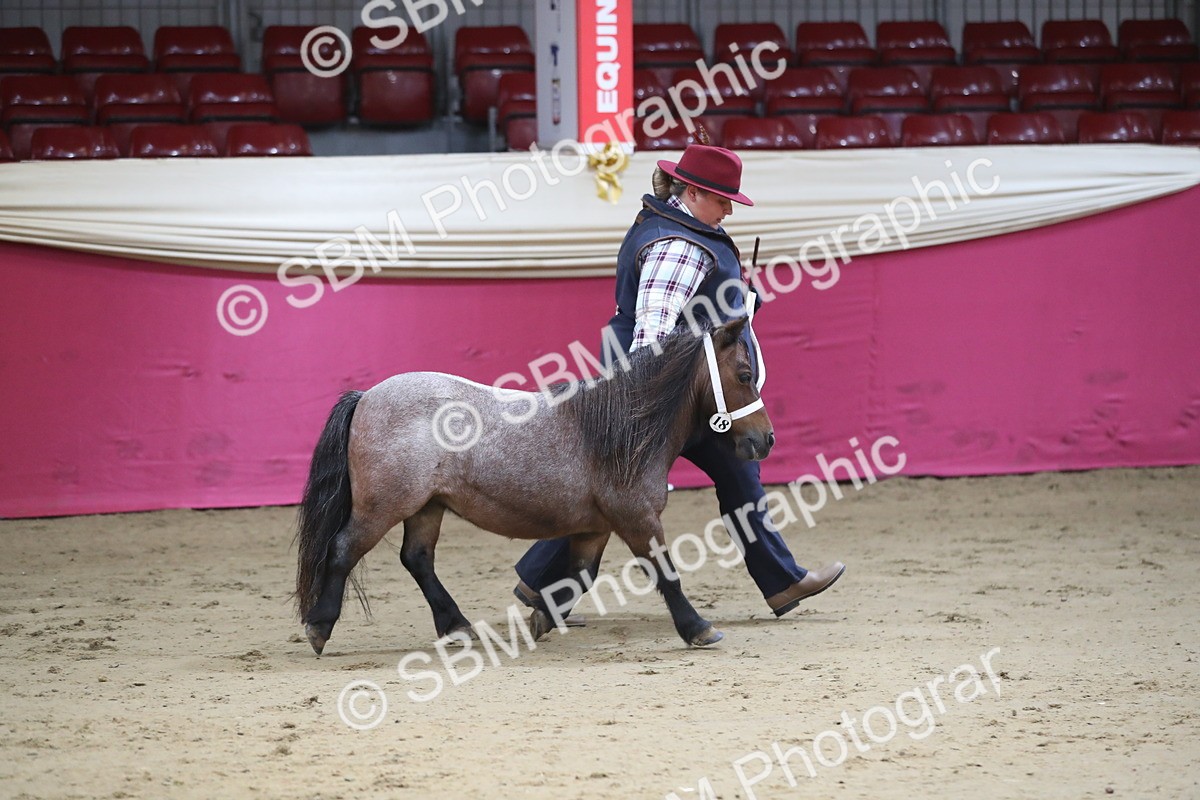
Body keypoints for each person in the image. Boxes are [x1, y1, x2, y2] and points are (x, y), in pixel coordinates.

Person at [513, 143, 845, 621]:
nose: (730, 208)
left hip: (688, 394)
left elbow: (690, 312)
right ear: (691, 192)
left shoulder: (680, 226)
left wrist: (736, 301)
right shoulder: (680, 247)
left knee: (729, 476)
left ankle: (782, 582)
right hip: (666, 396)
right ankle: (547, 590)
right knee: (619, 493)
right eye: (722, 199)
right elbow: (652, 334)